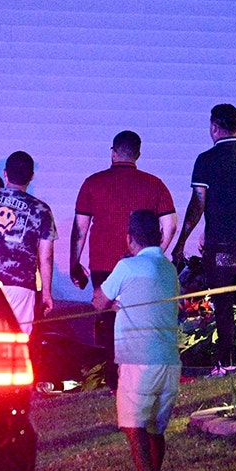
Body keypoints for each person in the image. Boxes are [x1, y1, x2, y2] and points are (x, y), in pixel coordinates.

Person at [171, 104, 236, 371]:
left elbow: (198, 202)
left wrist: (182, 241)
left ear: (214, 127)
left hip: (221, 245)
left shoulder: (205, 160)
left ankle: (225, 362)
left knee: (223, 305)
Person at [92, 210, 181, 471]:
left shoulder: (126, 267)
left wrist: (115, 298)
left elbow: (98, 301)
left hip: (137, 357)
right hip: (169, 358)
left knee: (134, 427)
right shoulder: (169, 269)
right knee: (156, 428)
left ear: (129, 237)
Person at [71, 130, 177, 382]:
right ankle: (138, 375)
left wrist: (74, 265)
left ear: (113, 152)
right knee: (138, 316)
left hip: (103, 264)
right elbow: (170, 225)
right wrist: (155, 253)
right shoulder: (155, 184)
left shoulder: (92, 182)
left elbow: (80, 230)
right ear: (138, 154)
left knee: (108, 320)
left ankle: (111, 376)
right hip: (141, 265)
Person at [0, 151, 57, 334]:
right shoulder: (41, 209)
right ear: (31, 177)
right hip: (21, 285)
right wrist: (46, 292)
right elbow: (46, 256)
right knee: (16, 342)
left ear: (5, 173)